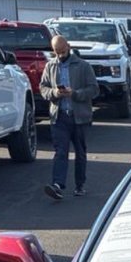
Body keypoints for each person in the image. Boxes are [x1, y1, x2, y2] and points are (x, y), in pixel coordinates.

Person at [41, 35, 99, 199]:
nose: (60, 55)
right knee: (60, 152)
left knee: (80, 152)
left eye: (62, 50)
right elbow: (43, 88)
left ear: (69, 46)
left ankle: (80, 185)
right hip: (59, 117)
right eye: (56, 52)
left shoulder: (83, 66)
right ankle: (57, 185)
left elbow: (94, 89)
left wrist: (75, 94)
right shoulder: (50, 66)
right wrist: (55, 93)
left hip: (79, 117)